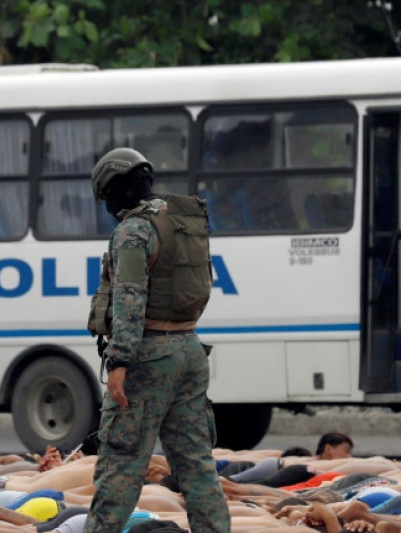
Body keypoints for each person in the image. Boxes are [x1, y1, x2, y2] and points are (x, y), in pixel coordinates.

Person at [84, 147, 229, 533]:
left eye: (107, 194)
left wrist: (119, 363)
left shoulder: (134, 230)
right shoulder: (181, 222)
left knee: (121, 463)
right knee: (196, 465)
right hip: (188, 348)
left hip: (148, 355)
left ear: (117, 187)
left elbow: (130, 300)